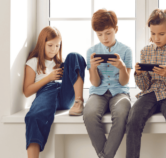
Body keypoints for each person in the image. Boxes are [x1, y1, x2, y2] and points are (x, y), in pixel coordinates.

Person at [126, 9, 166, 158]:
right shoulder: (145, 51)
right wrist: (139, 74)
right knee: (133, 120)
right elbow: (144, 86)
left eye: (161, 34)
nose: (156, 38)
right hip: (150, 92)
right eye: (153, 34)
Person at [24, 26, 86, 158]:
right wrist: (49, 78)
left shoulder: (60, 63)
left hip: (65, 94)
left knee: (74, 56)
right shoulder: (33, 62)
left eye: (57, 46)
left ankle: (79, 101)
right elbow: (27, 91)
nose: (54, 49)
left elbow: (72, 72)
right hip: (46, 91)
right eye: (50, 45)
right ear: (42, 44)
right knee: (33, 116)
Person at [83, 9, 132, 158]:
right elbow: (95, 83)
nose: (104, 38)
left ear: (116, 29)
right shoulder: (92, 51)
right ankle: (106, 155)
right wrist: (93, 68)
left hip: (120, 92)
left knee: (123, 113)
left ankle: (105, 156)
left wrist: (122, 67)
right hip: (98, 92)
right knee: (89, 114)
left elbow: (124, 81)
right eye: (99, 34)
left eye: (108, 33)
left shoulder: (126, 50)